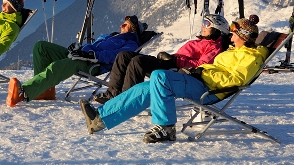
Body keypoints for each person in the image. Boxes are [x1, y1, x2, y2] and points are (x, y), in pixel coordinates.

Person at [79, 16, 265, 143]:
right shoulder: (235, 51)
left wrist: (201, 72)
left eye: (234, 33)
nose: (230, 36)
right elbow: (217, 68)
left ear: (243, 36)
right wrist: (200, 71)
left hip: (207, 88)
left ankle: (166, 128)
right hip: (199, 80)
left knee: (160, 76)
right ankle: (100, 118)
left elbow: (234, 80)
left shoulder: (251, 57)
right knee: (148, 85)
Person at [6, 15, 150, 107]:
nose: (121, 26)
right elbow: (91, 45)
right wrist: (79, 48)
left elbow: (115, 56)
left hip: (92, 64)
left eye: (125, 25)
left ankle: (24, 92)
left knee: (59, 66)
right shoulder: (110, 36)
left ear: (133, 30)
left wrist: (91, 55)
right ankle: (44, 91)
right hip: (82, 55)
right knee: (41, 47)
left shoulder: (131, 44)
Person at [93, 14, 230, 103]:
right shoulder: (201, 41)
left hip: (178, 71)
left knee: (138, 62)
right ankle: (112, 94)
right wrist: (170, 58)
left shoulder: (215, 48)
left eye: (207, 24)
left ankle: (127, 101)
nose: (203, 26)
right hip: (171, 63)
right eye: (203, 22)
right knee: (124, 55)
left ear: (217, 29)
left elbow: (202, 65)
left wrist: (175, 60)